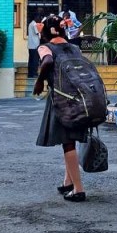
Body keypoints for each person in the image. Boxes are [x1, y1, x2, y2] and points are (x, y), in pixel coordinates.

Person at [32, 14, 87, 202]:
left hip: (61, 98)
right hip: (79, 97)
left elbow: (47, 61)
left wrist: (39, 81)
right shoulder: (74, 48)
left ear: (46, 32)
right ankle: (68, 182)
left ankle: (78, 189)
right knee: (70, 140)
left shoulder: (45, 47)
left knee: (67, 141)